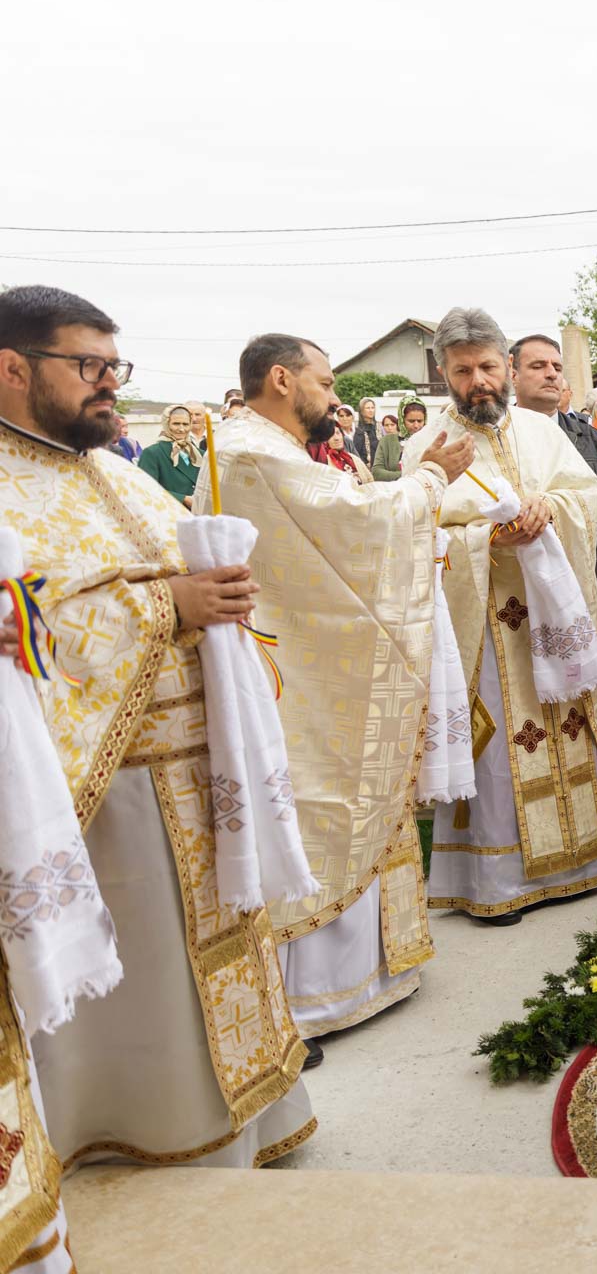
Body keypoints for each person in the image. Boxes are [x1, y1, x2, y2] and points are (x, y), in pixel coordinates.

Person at [0, 284, 314, 1166]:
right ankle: (138, 1135)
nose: (109, 384)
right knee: (145, 988)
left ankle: (251, 1119)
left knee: (214, 959)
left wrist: (222, 590)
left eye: (114, 365)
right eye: (89, 366)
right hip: (110, 792)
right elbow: (22, 627)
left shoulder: (113, 467)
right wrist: (164, 607)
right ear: (14, 368)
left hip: (198, 769)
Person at [210, 334, 473, 1059]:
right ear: (280, 378)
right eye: (325, 383)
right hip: (292, 665)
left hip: (315, 650)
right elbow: (356, 520)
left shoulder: (277, 450)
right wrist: (426, 477)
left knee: (342, 788)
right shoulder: (246, 450)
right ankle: (306, 995)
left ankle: (363, 976)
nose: (334, 398)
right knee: (315, 793)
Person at [407, 308, 597, 925]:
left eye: (488, 366)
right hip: (483, 622)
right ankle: (496, 883)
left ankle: (579, 864)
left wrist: (547, 506)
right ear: (444, 373)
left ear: (505, 366)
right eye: (464, 370)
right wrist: (482, 540)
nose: (479, 381)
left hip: (551, 615)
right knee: (499, 747)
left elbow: (585, 494)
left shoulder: (540, 429)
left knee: (567, 730)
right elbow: (417, 534)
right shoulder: (426, 447)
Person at [510, 335, 597, 694]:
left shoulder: (585, 438)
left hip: (586, 580)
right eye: (537, 366)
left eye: (557, 367)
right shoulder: (497, 437)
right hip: (518, 588)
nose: (550, 374)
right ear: (512, 373)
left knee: (582, 692)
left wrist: (575, 556)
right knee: (526, 692)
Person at [138, 404, 203, 506]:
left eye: (185, 424)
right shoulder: (152, 453)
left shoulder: (199, 454)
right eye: (176, 424)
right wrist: (183, 499)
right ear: (166, 424)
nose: (181, 429)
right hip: (169, 513)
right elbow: (145, 489)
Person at [371, 413, 405, 481]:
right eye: (386, 425)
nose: (389, 428)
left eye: (392, 425)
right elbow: (376, 470)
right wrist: (402, 475)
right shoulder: (381, 443)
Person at [350, 395, 380, 466]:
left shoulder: (378, 427)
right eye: (367, 408)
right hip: (366, 465)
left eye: (372, 408)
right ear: (362, 410)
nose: (371, 410)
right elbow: (357, 451)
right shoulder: (358, 430)